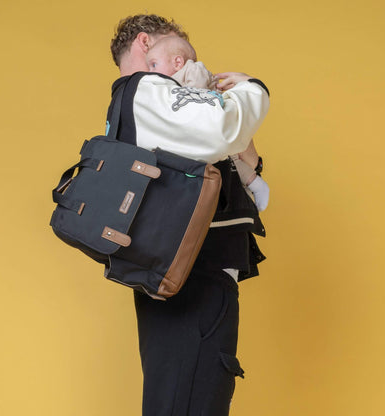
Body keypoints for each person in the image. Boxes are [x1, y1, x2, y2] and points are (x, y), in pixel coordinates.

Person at [108, 14, 270, 416]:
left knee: (183, 395)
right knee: (190, 397)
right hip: (194, 272)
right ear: (145, 43)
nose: (192, 66)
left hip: (183, 270)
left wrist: (243, 149)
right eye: (182, 56)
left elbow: (246, 178)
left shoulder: (149, 106)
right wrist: (253, 89)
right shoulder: (146, 88)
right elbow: (222, 129)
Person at [145, 35, 270, 211]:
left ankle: (256, 185)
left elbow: (196, 97)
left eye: (153, 64)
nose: (150, 71)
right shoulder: (166, 84)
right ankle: (252, 187)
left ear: (178, 62)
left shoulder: (191, 70)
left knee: (230, 161)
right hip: (205, 135)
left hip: (212, 124)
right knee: (226, 162)